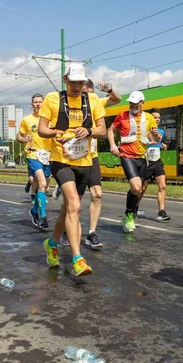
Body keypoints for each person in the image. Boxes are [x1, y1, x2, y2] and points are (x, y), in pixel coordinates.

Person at [38, 63, 107, 277]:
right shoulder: (52, 99)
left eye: (81, 82)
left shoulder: (93, 100)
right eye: (73, 82)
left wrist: (87, 130)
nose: (77, 86)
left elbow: (102, 130)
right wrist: (56, 132)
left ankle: (51, 243)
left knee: (67, 210)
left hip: (84, 161)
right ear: (65, 79)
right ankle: (78, 258)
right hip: (61, 159)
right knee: (75, 206)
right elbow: (42, 129)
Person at [107, 90, 161, 233]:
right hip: (126, 156)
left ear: (142, 103)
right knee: (136, 187)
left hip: (142, 157)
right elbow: (110, 130)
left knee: (140, 189)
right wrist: (112, 145)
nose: (132, 105)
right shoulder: (122, 116)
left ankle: (127, 213)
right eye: (131, 103)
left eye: (135, 103)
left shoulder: (149, 118)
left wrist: (157, 137)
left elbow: (154, 140)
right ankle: (129, 215)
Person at [83, 78, 121, 247]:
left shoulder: (96, 102)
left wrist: (109, 88)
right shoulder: (68, 105)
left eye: (89, 94)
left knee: (97, 194)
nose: (87, 98)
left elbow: (116, 99)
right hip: (72, 158)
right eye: (84, 94)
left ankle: (91, 233)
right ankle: (65, 229)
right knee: (72, 200)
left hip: (91, 156)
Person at [17, 93, 51, 229]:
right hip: (33, 155)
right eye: (35, 102)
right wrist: (24, 139)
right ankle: (43, 217)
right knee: (42, 183)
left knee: (44, 186)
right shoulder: (27, 120)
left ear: (44, 104)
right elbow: (19, 136)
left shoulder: (51, 119)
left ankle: (33, 210)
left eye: (40, 102)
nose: (38, 104)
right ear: (32, 105)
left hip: (48, 156)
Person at [135, 108, 171, 221]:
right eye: (155, 117)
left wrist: (163, 146)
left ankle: (161, 212)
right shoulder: (143, 131)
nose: (157, 119)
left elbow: (159, 144)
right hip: (146, 162)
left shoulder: (161, 132)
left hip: (157, 161)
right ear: (150, 118)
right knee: (142, 188)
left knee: (162, 186)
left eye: (159, 118)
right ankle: (134, 208)